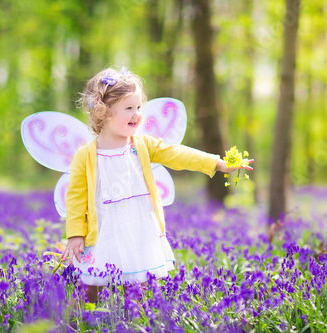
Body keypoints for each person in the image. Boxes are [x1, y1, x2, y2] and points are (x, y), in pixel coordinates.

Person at [59, 67, 253, 303]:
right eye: (129, 108)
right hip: (103, 229)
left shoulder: (142, 145)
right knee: (91, 283)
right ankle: (81, 320)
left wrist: (217, 163)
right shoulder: (86, 155)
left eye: (139, 107)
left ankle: (135, 321)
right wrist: (75, 235)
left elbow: (178, 154)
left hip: (138, 224)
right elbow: (76, 198)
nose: (137, 114)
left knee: (137, 280)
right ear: (104, 112)